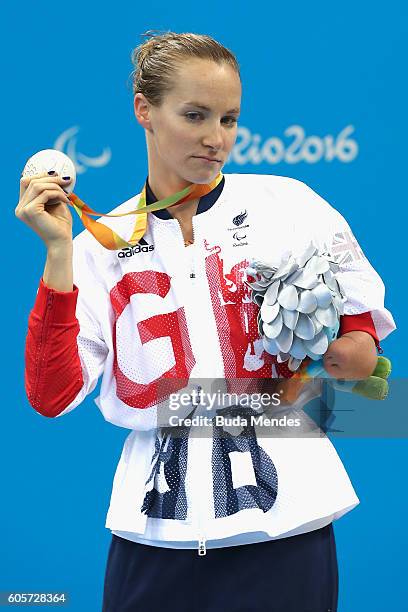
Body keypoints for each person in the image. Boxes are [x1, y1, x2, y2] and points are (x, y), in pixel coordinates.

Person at [16, 31, 395, 612]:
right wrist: (59, 253)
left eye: (229, 119)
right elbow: (51, 394)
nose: (215, 139)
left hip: (287, 525)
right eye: (194, 115)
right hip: (155, 532)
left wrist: (355, 352)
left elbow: (360, 326)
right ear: (144, 110)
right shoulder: (99, 243)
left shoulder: (290, 205)